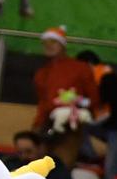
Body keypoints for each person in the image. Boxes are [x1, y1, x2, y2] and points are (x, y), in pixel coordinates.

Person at [29, 27, 100, 167]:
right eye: (46, 43)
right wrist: (37, 125)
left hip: (71, 125)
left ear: (62, 45)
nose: (49, 46)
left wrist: (79, 108)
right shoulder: (42, 74)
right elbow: (43, 104)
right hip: (48, 124)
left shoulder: (80, 68)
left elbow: (93, 98)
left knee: (62, 165)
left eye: (53, 42)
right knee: (42, 166)